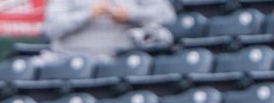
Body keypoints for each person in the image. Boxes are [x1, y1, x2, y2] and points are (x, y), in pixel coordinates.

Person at [42, 0, 177, 60]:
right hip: (67, 58)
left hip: (121, 60)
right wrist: (87, 14)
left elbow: (166, 16)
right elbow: (52, 28)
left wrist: (130, 14)